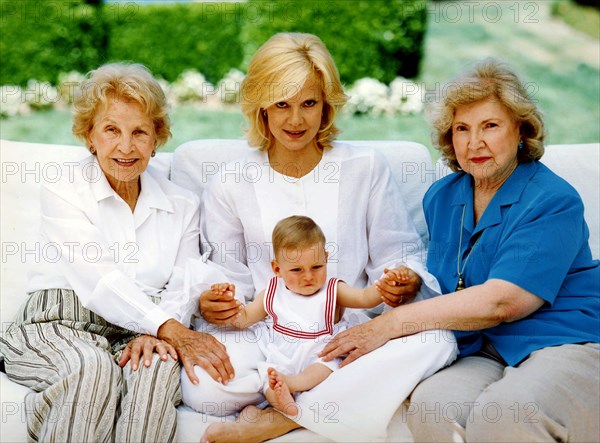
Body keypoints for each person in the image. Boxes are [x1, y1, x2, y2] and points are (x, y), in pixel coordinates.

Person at [181, 32, 457, 443]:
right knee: (202, 385)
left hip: (352, 336)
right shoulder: (231, 180)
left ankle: (286, 416)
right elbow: (228, 276)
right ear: (261, 108)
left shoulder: (364, 167)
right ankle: (328, 395)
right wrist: (214, 301)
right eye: (282, 105)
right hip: (269, 335)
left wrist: (403, 282)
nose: (296, 120)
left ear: (326, 104)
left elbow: (398, 253)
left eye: (309, 103)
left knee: (438, 340)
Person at [321, 58, 600, 442]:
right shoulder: (443, 197)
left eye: (490, 126)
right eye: (462, 129)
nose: (474, 143)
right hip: (483, 346)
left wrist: (386, 326)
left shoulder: (553, 200)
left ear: (520, 129)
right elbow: (448, 281)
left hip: (564, 340)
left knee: (505, 416)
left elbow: (502, 302)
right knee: (434, 407)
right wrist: (405, 289)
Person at [0, 63, 233, 441]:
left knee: (156, 370)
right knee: (91, 369)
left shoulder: (182, 203)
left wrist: (160, 332)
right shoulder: (64, 188)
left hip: (143, 329)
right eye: (111, 130)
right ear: (89, 136)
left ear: (157, 138)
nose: (126, 147)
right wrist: (166, 326)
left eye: (140, 131)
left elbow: (186, 281)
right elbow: (99, 280)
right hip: (57, 324)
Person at [212, 215, 414, 417]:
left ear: (326, 258)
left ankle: (293, 384)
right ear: (277, 269)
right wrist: (226, 302)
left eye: (316, 267)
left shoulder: (333, 290)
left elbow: (364, 298)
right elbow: (244, 318)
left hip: (319, 353)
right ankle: (283, 403)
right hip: (282, 354)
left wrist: (387, 284)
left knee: (328, 366)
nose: (308, 276)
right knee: (268, 376)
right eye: (297, 270)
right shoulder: (271, 293)